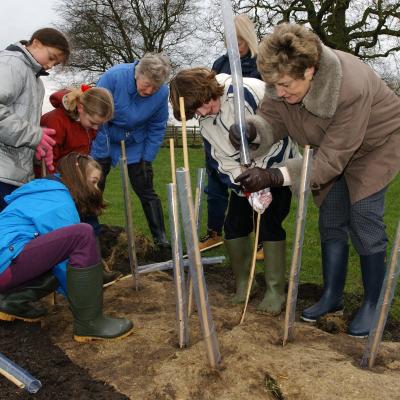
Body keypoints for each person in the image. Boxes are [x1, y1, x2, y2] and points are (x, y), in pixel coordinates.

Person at [231, 23, 400, 336]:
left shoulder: (350, 88)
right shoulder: (280, 81)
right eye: (275, 87)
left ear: (310, 70)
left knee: (364, 219)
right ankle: (332, 297)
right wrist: (252, 131)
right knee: (332, 218)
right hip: (327, 147)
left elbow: (331, 161)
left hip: (374, 147)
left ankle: (374, 304)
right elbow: (270, 119)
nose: (279, 93)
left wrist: (272, 175)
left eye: (285, 86)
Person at [170, 68, 299, 314]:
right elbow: (220, 159)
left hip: (278, 168)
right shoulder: (205, 116)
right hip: (245, 178)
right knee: (233, 227)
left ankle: (275, 290)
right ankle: (245, 285)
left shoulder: (247, 93)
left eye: (203, 106)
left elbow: (280, 135)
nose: (201, 113)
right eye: (195, 111)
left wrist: (264, 177)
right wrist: (243, 183)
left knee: (270, 225)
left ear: (210, 92)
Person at [0, 152, 134, 342]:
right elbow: (69, 262)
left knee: (65, 248)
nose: (97, 189)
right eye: (94, 182)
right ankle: (90, 324)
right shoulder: (60, 201)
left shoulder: (45, 190)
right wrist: (85, 297)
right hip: (6, 261)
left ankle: (11, 302)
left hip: (7, 259)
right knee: (82, 234)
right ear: (78, 177)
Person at [90, 53, 171, 258]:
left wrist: (147, 158)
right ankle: (90, 239)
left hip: (137, 142)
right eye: (146, 84)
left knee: (145, 187)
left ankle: (161, 241)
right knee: (92, 188)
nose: (149, 90)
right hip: (106, 135)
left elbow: (157, 126)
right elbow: (96, 117)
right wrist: (101, 154)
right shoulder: (113, 77)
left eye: (155, 87)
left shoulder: (162, 93)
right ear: (137, 73)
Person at [200, 14, 263, 258]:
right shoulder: (220, 63)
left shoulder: (260, 65)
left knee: (254, 184)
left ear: (248, 39)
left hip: (247, 138)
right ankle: (214, 232)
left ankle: (261, 237)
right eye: (230, 42)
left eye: (239, 41)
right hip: (217, 136)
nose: (234, 47)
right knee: (215, 187)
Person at [0, 28, 70, 211]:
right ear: (36, 43)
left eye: (55, 64)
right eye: (52, 57)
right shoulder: (11, 64)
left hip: (14, 174)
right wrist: (34, 136)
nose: (50, 66)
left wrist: (36, 146)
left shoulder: (37, 82)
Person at [40, 85, 114, 171]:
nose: (96, 128)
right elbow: (48, 163)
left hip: (73, 176)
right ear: (80, 108)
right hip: (54, 180)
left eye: (99, 124)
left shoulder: (87, 125)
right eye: (92, 122)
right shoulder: (56, 122)